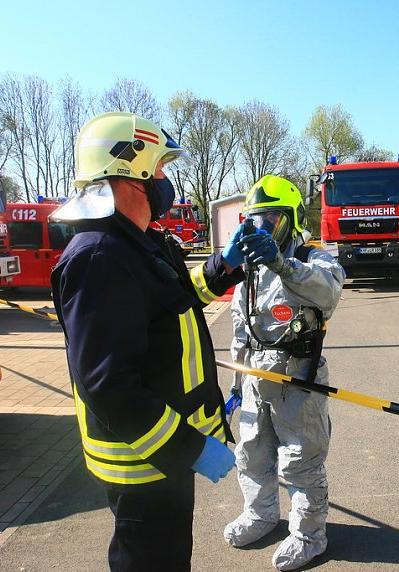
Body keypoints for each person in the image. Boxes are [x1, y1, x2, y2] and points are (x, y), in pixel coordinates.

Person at [50, 112, 250, 572]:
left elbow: (173, 303)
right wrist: (189, 448)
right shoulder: (99, 257)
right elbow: (108, 386)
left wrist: (223, 267)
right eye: (159, 168)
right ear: (132, 172)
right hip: (144, 462)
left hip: (163, 457)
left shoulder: (138, 242)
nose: (164, 180)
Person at [223, 175, 345, 571]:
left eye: (271, 219)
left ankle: (309, 535)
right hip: (255, 375)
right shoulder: (250, 267)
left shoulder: (312, 257)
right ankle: (260, 514)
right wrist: (236, 384)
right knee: (251, 452)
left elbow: (328, 292)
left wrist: (282, 264)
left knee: (300, 460)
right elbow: (241, 327)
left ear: (291, 220)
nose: (262, 228)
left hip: (297, 377)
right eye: (255, 220)